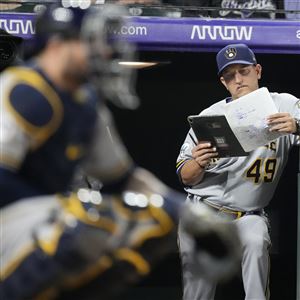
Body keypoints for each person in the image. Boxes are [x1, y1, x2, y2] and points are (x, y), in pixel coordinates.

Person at [0, 4, 241, 300]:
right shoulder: (23, 91)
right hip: (9, 219)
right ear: (57, 44)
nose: (102, 52)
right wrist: (62, 208)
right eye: (90, 41)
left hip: (34, 225)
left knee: (156, 217)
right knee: (86, 217)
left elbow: (123, 178)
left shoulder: (85, 103)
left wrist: (191, 214)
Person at [176, 43, 300, 300]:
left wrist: (297, 126)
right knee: (196, 295)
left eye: (243, 71)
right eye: (230, 76)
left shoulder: (284, 105)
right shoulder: (210, 115)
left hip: (249, 215)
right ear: (223, 82)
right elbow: (185, 176)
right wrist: (198, 162)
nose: (238, 79)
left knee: (256, 245)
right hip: (204, 212)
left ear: (258, 70)